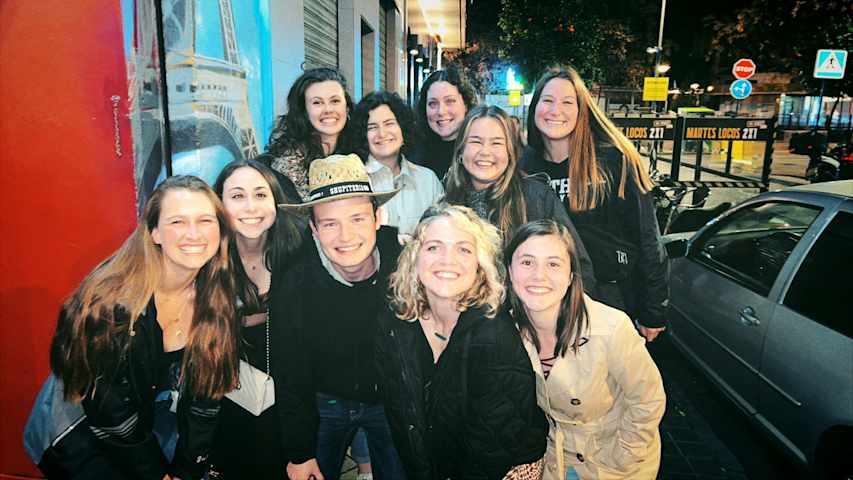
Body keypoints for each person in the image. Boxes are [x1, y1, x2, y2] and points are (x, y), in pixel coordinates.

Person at [48, 175, 240, 479]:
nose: (194, 234)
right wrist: (155, 474)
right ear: (154, 233)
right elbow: (109, 412)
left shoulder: (216, 295)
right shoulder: (110, 304)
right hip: (86, 430)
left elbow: (208, 393)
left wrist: (187, 469)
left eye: (205, 220)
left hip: (150, 422)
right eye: (177, 222)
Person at [376, 203, 548, 480]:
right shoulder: (398, 322)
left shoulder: (493, 337)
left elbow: (491, 447)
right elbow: (403, 416)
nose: (447, 260)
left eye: (463, 249)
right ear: (414, 257)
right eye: (433, 247)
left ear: (480, 266)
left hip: (502, 468)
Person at [272, 154, 406, 480]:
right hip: (323, 402)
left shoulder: (403, 266)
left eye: (357, 218)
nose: (346, 236)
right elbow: (290, 374)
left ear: (378, 218)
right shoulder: (295, 282)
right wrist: (299, 453)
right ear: (314, 230)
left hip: (389, 400)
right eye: (330, 223)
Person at [506, 220, 666, 480]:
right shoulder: (506, 332)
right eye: (527, 262)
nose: (539, 275)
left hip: (614, 462)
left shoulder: (610, 328)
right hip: (553, 459)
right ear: (510, 271)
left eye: (553, 264)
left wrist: (622, 457)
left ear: (571, 276)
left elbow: (648, 400)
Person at [521, 66, 668, 342]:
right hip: (549, 302)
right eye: (548, 100)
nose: (556, 111)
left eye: (567, 102)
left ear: (582, 110)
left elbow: (648, 237)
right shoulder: (524, 166)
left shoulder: (616, 161)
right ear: (535, 107)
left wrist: (654, 310)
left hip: (610, 300)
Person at [209, 160, 305, 479]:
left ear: (276, 202)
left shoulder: (297, 250)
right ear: (219, 204)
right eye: (237, 196)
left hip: (286, 393)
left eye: (261, 195)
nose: (251, 207)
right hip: (222, 394)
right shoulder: (206, 259)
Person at [443, 104, 596, 290]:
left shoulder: (538, 199)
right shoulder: (447, 205)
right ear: (461, 151)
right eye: (476, 141)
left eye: (497, 143)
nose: (485, 152)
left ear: (510, 152)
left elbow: (579, 268)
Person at [348, 90, 443, 237]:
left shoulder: (428, 180)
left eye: (389, 124)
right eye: (372, 127)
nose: (382, 133)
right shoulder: (352, 181)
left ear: (403, 128)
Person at [268, 67, 354, 201]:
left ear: (347, 108)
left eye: (335, 101)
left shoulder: (359, 149)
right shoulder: (289, 163)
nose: (328, 109)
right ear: (304, 112)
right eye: (317, 102)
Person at [410, 67, 479, 180]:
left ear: (466, 104)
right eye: (433, 103)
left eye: (450, 101)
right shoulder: (413, 153)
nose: (441, 111)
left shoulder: (480, 151)